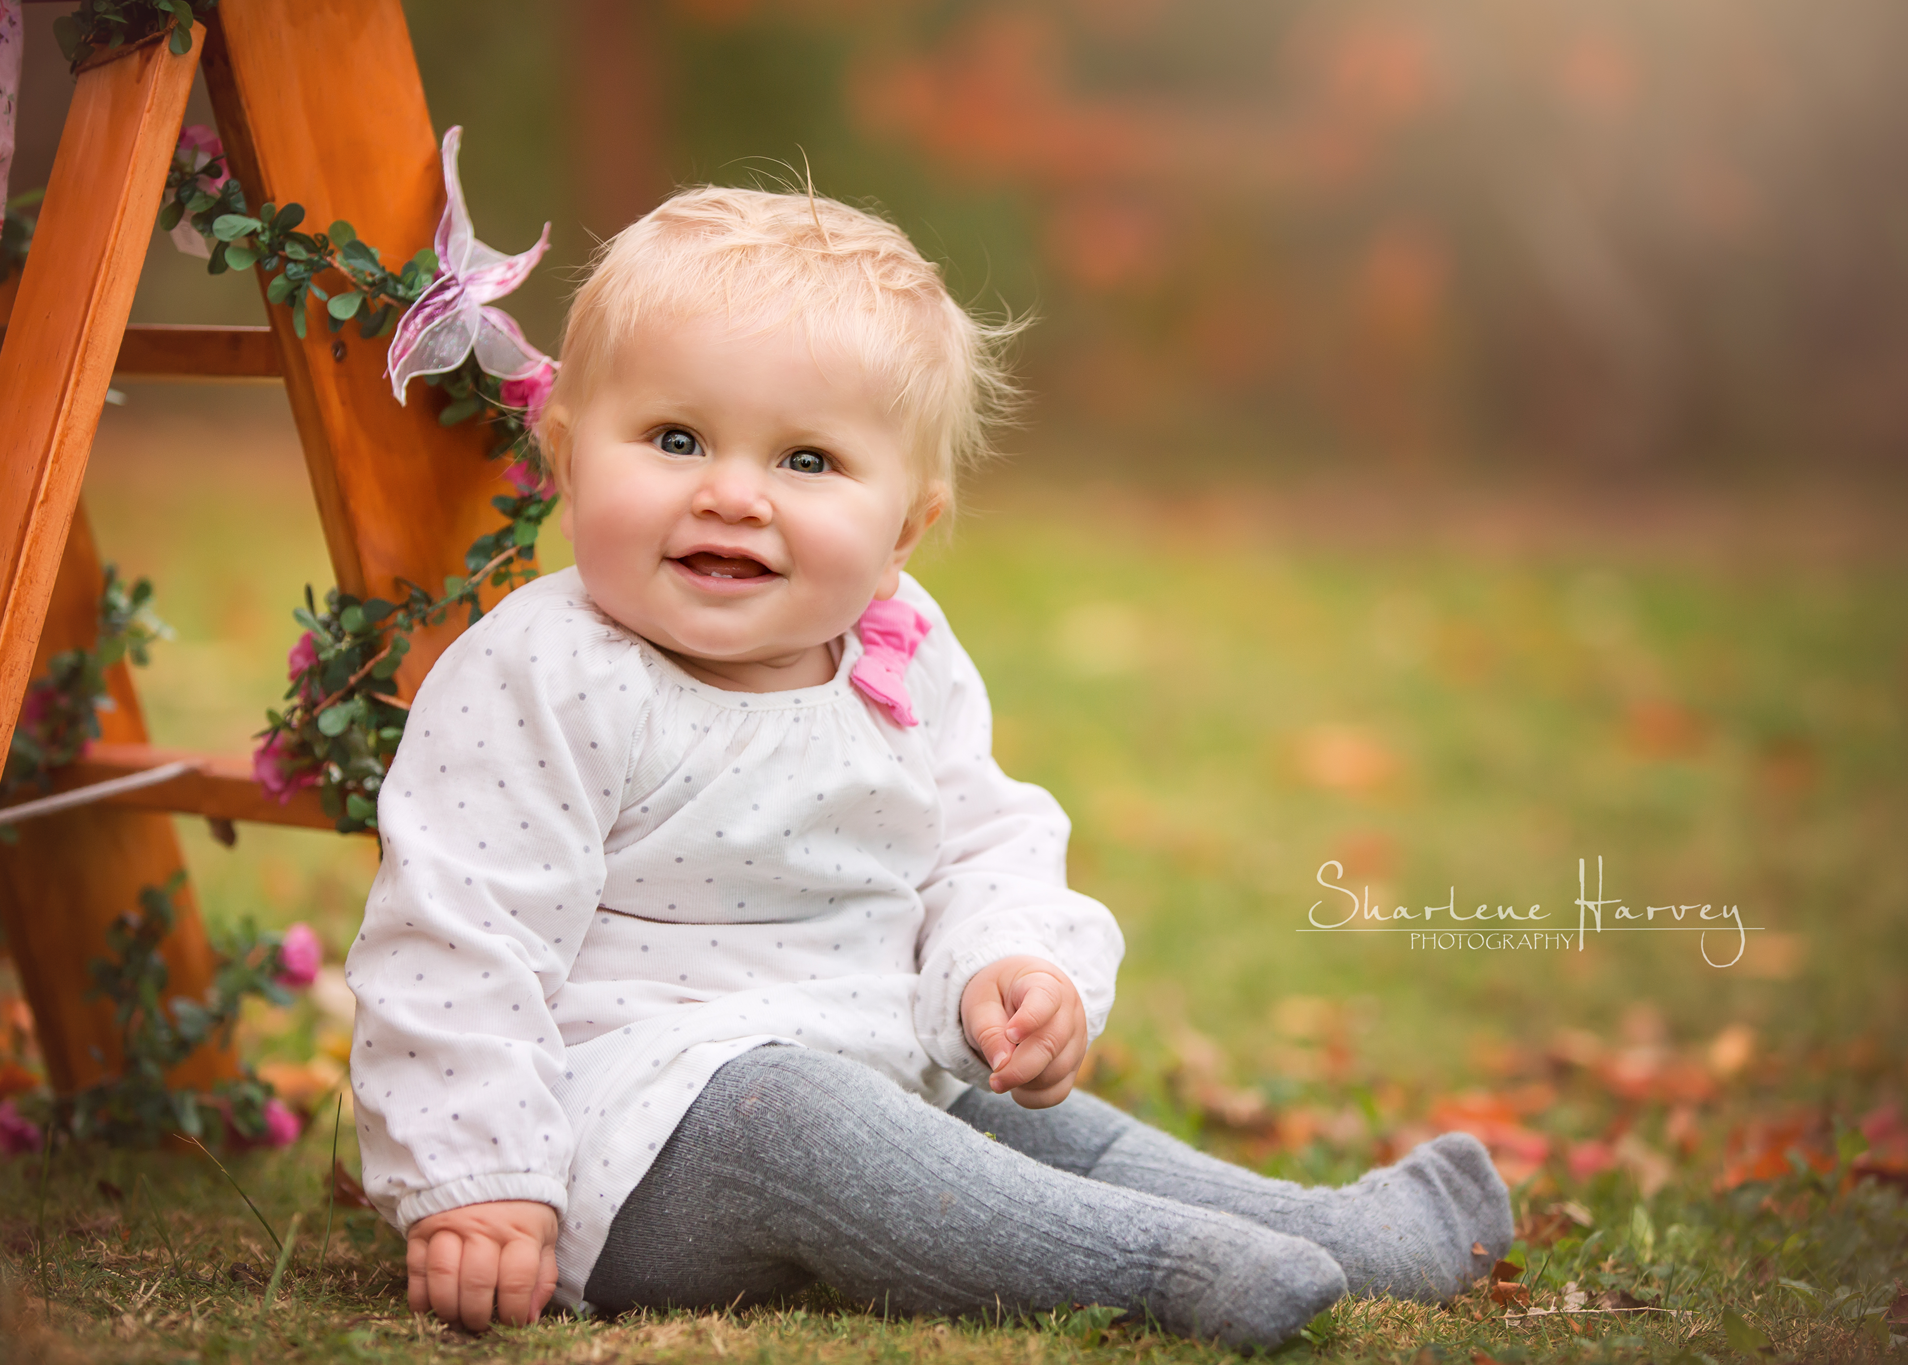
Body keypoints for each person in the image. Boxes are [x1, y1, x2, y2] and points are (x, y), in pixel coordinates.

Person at [343, 186, 1511, 1346]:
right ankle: (1159, 1268)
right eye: (676, 439)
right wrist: (481, 1177)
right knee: (796, 1111)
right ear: (567, 455)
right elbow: (458, 934)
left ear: (902, 533)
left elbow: (978, 840)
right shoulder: (547, 671)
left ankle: (1335, 1239)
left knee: (1017, 1117)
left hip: (874, 1064)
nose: (732, 493)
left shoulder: (897, 654)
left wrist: (1007, 964)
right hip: (624, 1138)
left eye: (805, 459)